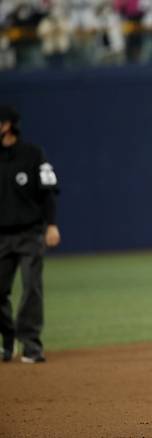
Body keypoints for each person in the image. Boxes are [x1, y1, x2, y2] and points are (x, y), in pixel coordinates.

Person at [0, 105, 61, 364]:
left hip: (29, 233)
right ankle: (8, 340)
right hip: (1, 237)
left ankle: (31, 345)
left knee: (31, 289)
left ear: (7, 125)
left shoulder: (33, 154)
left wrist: (51, 225)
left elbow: (48, 191)